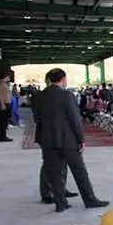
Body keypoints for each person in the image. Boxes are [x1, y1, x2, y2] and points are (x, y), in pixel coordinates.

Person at [34, 68, 109, 213]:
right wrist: (81, 139)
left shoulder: (38, 96)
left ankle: (60, 204)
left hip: (48, 140)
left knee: (54, 173)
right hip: (67, 139)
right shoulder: (66, 95)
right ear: (63, 79)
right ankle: (90, 200)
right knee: (79, 171)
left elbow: (37, 119)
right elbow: (75, 119)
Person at [32, 72, 77, 204]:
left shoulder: (60, 95)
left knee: (62, 163)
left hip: (56, 134)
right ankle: (47, 193)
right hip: (49, 134)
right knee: (49, 165)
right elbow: (37, 117)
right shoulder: (41, 96)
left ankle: (60, 189)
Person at [0, 71, 12, 142]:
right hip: (3, 103)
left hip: (5, 103)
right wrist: (2, 104)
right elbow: (0, 95)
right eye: (8, 77)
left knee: (4, 121)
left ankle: (4, 135)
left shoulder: (3, 84)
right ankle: (2, 136)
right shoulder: (1, 85)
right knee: (2, 121)